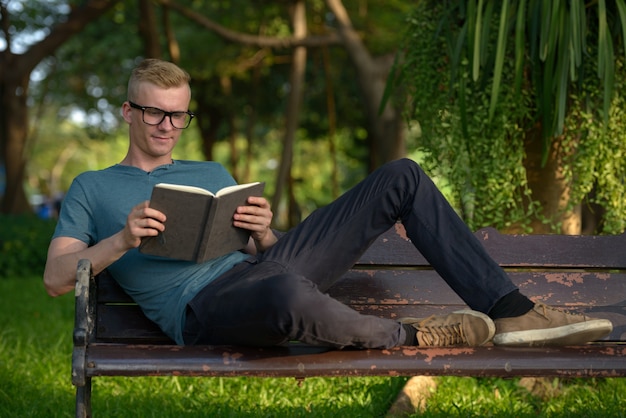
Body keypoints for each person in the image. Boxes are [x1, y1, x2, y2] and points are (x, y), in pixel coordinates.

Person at [44, 59, 613, 349]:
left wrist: (264, 233)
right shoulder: (93, 187)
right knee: (286, 293)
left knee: (403, 176)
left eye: (178, 115)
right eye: (154, 113)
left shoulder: (209, 172)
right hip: (203, 312)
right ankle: (416, 337)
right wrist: (121, 239)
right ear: (126, 111)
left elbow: (258, 249)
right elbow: (55, 277)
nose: (168, 126)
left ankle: (512, 311)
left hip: (260, 267)